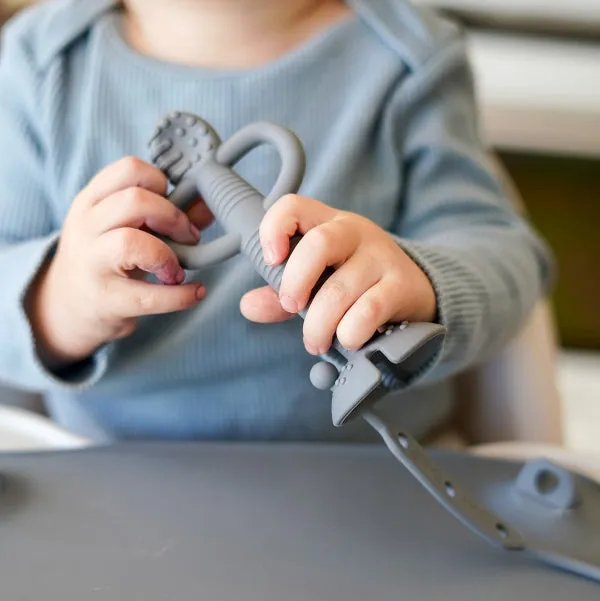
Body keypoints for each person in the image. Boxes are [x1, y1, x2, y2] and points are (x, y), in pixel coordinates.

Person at [0, 0, 553, 442]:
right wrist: (54, 302)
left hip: (373, 486)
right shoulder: (42, 61)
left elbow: (508, 259)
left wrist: (422, 283)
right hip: (112, 486)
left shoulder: (408, 59)